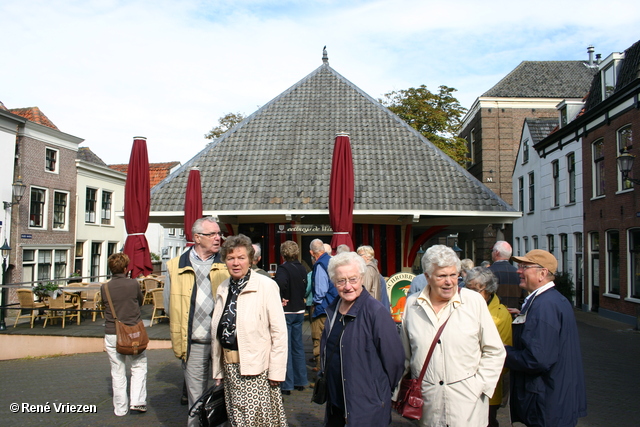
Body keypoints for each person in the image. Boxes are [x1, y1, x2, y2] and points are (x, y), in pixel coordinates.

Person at [400, 244, 506, 427]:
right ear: (427, 277)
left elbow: (495, 351)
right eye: (441, 276)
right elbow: (405, 356)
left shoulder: (474, 302)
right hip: (428, 407)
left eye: (453, 275)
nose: (449, 282)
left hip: (467, 408)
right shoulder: (412, 305)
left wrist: (478, 386)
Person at [211, 234, 288, 426]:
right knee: (237, 420)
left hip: (257, 370)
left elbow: (279, 332)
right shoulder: (223, 287)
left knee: (256, 421)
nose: (236, 263)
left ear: (251, 260)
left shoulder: (266, 286)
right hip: (230, 369)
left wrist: (276, 372)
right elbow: (218, 331)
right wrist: (218, 369)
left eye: (241, 257)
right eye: (230, 258)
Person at [321, 252, 405, 426]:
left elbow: (395, 361)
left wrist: (378, 393)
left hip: (367, 407)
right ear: (333, 282)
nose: (348, 286)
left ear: (362, 278)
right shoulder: (333, 310)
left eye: (353, 279)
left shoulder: (375, 312)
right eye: (341, 281)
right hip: (336, 404)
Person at [506, 249, 587, 427]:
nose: (518, 271)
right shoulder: (552, 301)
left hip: (545, 403)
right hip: (555, 399)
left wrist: (502, 352)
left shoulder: (544, 307)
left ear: (542, 273)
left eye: (524, 267)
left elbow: (536, 359)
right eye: (519, 266)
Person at [166, 217, 229, 426]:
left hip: (222, 344)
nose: (218, 238)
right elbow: (168, 306)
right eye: (212, 234)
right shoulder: (175, 267)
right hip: (192, 344)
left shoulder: (227, 264)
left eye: (218, 233)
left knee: (225, 399)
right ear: (197, 238)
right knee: (196, 401)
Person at [465, 267, 512, 427]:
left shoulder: (501, 315)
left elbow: (502, 355)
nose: (470, 294)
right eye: (467, 288)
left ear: (489, 290)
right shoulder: (462, 308)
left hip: (486, 388)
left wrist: (482, 383)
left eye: (475, 290)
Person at [101, 253, 147, 416]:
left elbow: (104, 304)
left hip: (112, 332)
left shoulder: (104, 287)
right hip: (133, 331)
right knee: (138, 365)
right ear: (126, 268)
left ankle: (120, 408)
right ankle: (137, 402)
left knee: (117, 370)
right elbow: (140, 301)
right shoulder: (133, 284)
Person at [274, 240, 309, 395]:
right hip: (299, 310)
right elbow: (306, 286)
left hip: (286, 311)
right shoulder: (302, 268)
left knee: (285, 348)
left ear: (283, 254)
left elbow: (279, 284)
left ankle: (287, 384)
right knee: (298, 347)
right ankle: (301, 380)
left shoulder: (283, 269)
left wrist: (281, 296)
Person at [309, 239, 337, 370]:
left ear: (311, 252)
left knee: (319, 340)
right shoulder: (331, 261)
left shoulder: (320, 265)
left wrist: (316, 304)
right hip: (333, 306)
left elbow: (321, 291)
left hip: (323, 308)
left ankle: (321, 375)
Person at [488, 241, 521, 309]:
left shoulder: (487, 272)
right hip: (514, 314)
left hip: (493, 315)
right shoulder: (519, 273)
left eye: (492, 251)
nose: (491, 253)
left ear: (497, 253)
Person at [356, 245, 390, 309]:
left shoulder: (367, 269)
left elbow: (365, 290)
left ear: (368, 256)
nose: (357, 257)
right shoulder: (373, 268)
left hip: (369, 305)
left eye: (360, 255)